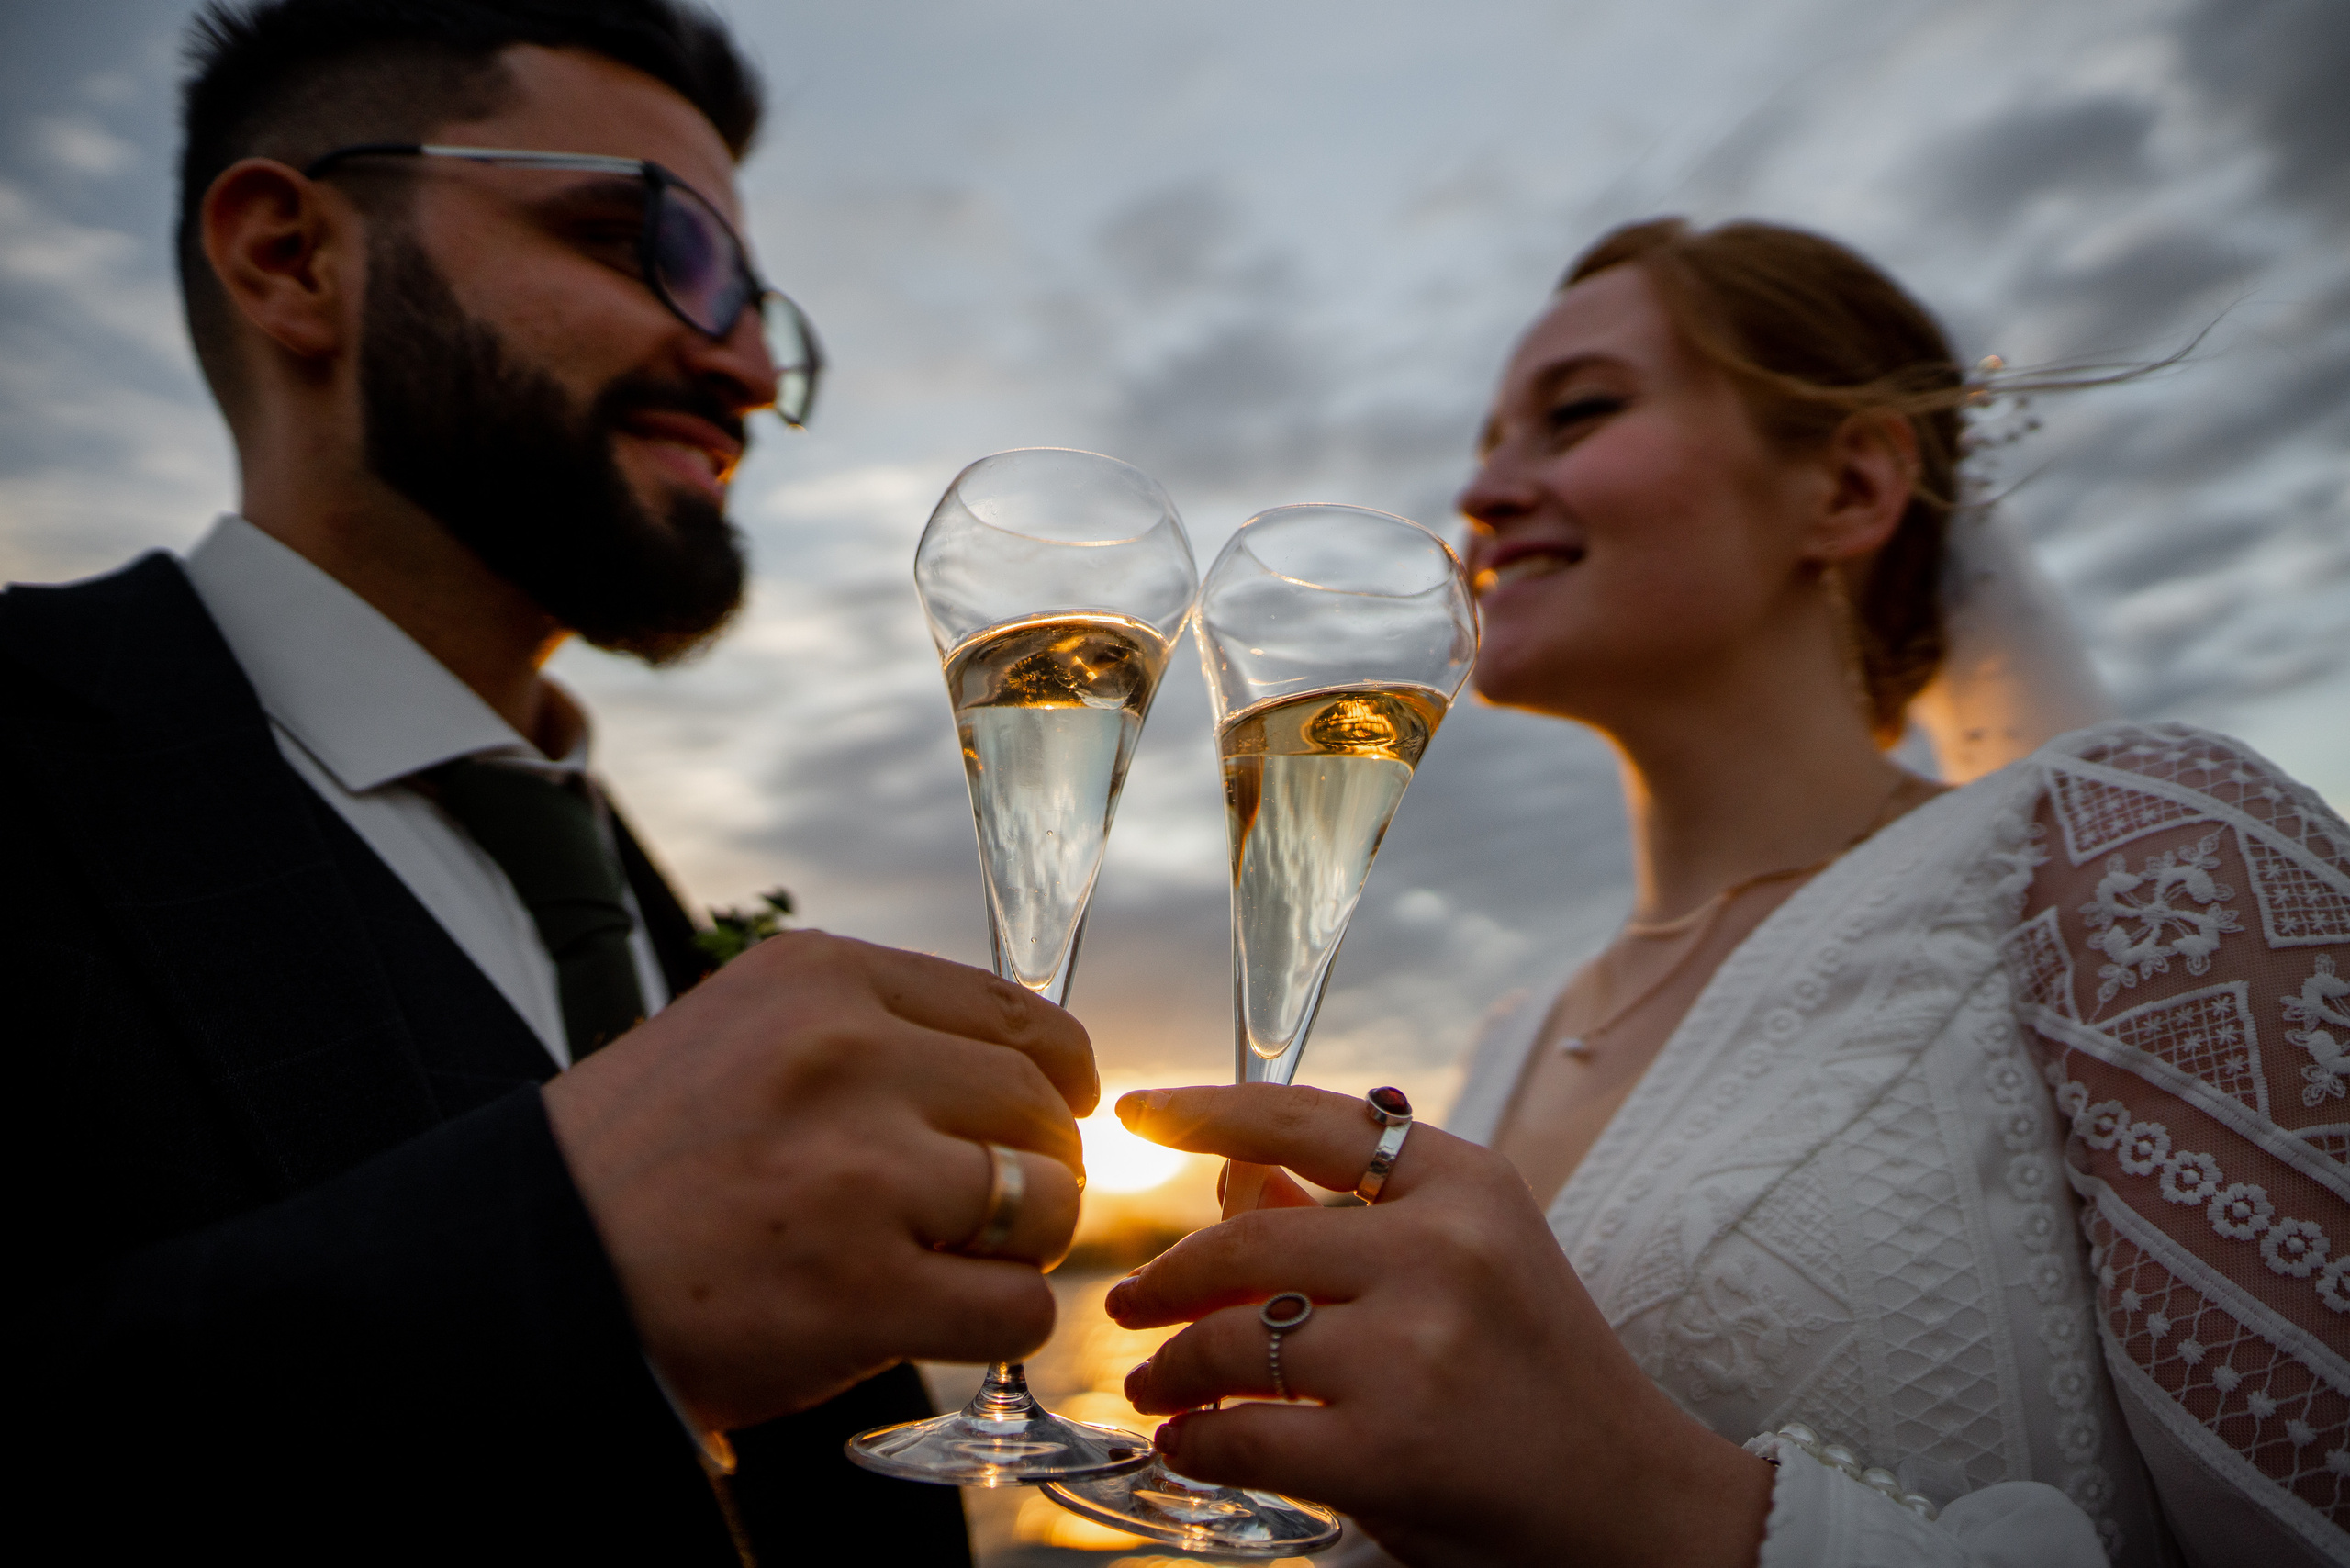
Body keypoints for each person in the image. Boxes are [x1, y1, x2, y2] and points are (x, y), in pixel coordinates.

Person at [5, 3, 1092, 1561]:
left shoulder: (636, 898)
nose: (737, 366)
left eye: (758, 308)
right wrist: (559, 1260)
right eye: (641, 240)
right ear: (288, 259)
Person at [1095, 219, 2348, 1566]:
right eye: (1483, 447)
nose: (1488, 495)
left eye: (1577, 413)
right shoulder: (1511, 1039)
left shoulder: (2142, 851)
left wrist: (1649, 1502)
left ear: (1851, 487)